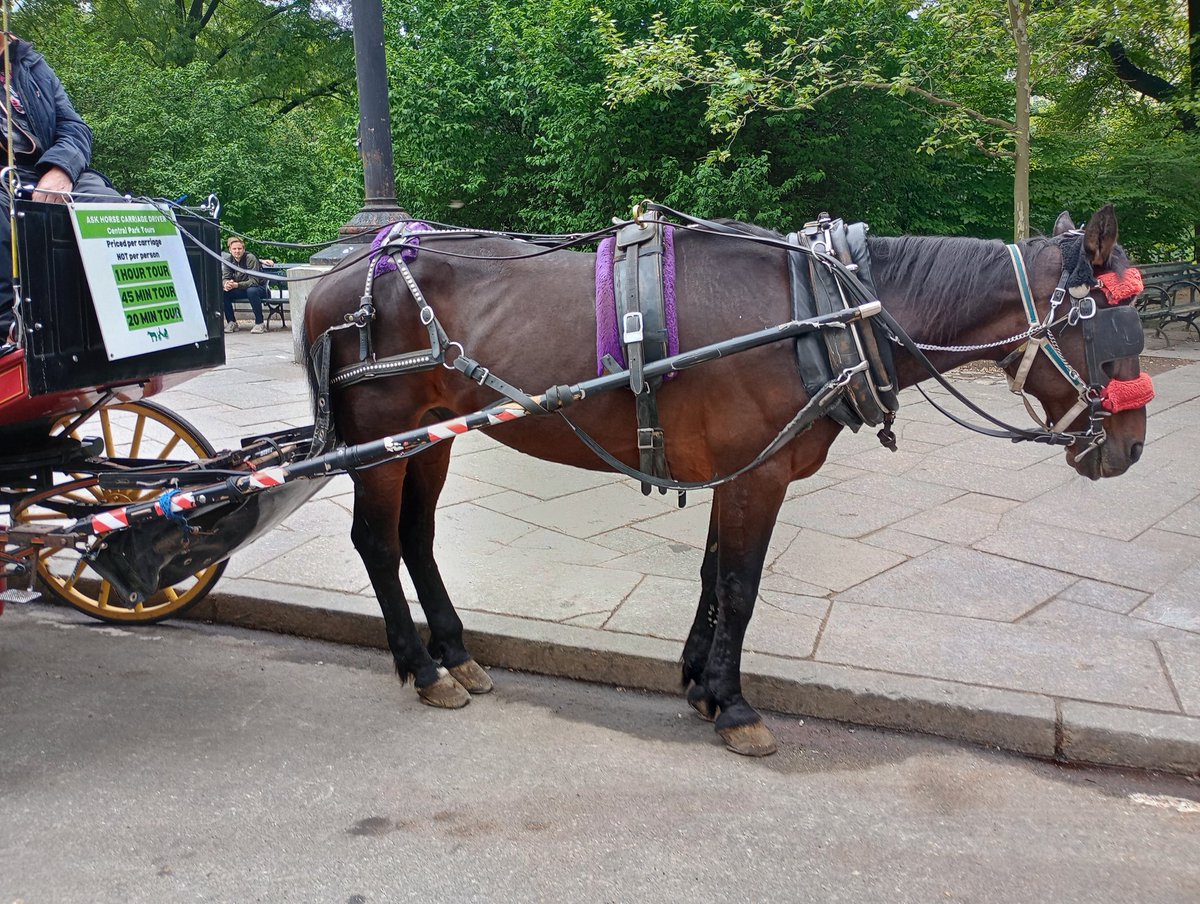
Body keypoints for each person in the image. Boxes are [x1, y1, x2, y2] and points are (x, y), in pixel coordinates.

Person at [0, 32, 120, 343]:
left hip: (47, 169)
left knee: (111, 207)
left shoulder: (32, 65)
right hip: (4, 180)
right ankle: (9, 331)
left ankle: (120, 322)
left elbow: (74, 127)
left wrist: (61, 169)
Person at [221, 236, 274, 334]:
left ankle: (260, 323)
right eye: (234, 249)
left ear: (243, 249)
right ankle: (231, 322)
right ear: (230, 250)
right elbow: (225, 277)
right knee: (224, 292)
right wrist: (226, 284)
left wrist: (237, 285)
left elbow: (254, 281)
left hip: (260, 288)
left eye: (239, 248)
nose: (237, 251)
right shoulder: (228, 260)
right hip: (241, 289)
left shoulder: (250, 258)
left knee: (251, 291)